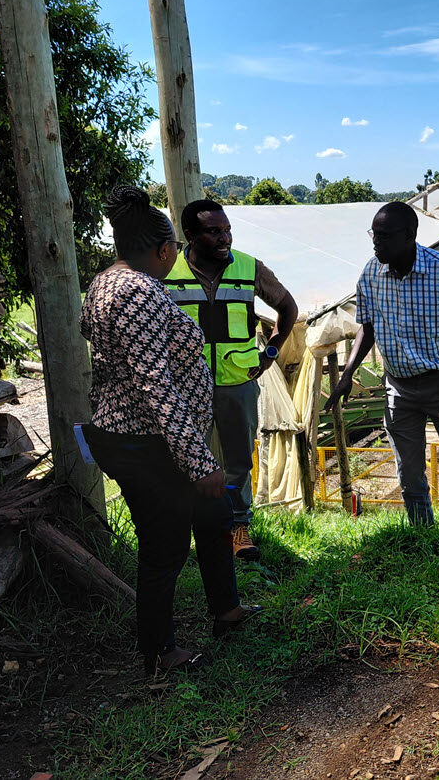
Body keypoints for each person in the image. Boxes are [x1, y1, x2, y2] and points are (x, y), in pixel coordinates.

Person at [80, 185, 260, 677]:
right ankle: (160, 652)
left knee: (216, 514)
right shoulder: (138, 292)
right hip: (149, 443)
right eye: (173, 251)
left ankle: (226, 610)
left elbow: (93, 336)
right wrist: (198, 461)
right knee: (164, 548)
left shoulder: (106, 282)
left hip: (150, 437)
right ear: (163, 250)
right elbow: (153, 384)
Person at [323, 202, 439, 528]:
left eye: (384, 236)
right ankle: (423, 538)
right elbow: (367, 328)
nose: (376, 242)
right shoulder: (371, 273)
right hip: (398, 388)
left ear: (410, 236)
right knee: (410, 475)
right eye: (374, 235)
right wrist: (347, 373)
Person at [166, 200, 298, 561]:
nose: (225, 237)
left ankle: (239, 527)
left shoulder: (248, 266)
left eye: (227, 229)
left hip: (237, 381)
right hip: (185, 387)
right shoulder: (166, 270)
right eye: (214, 231)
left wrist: (270, 353)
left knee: (239, 460)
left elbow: (288, 308)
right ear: (190, 235)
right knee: (188, 458)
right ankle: (195, 529)